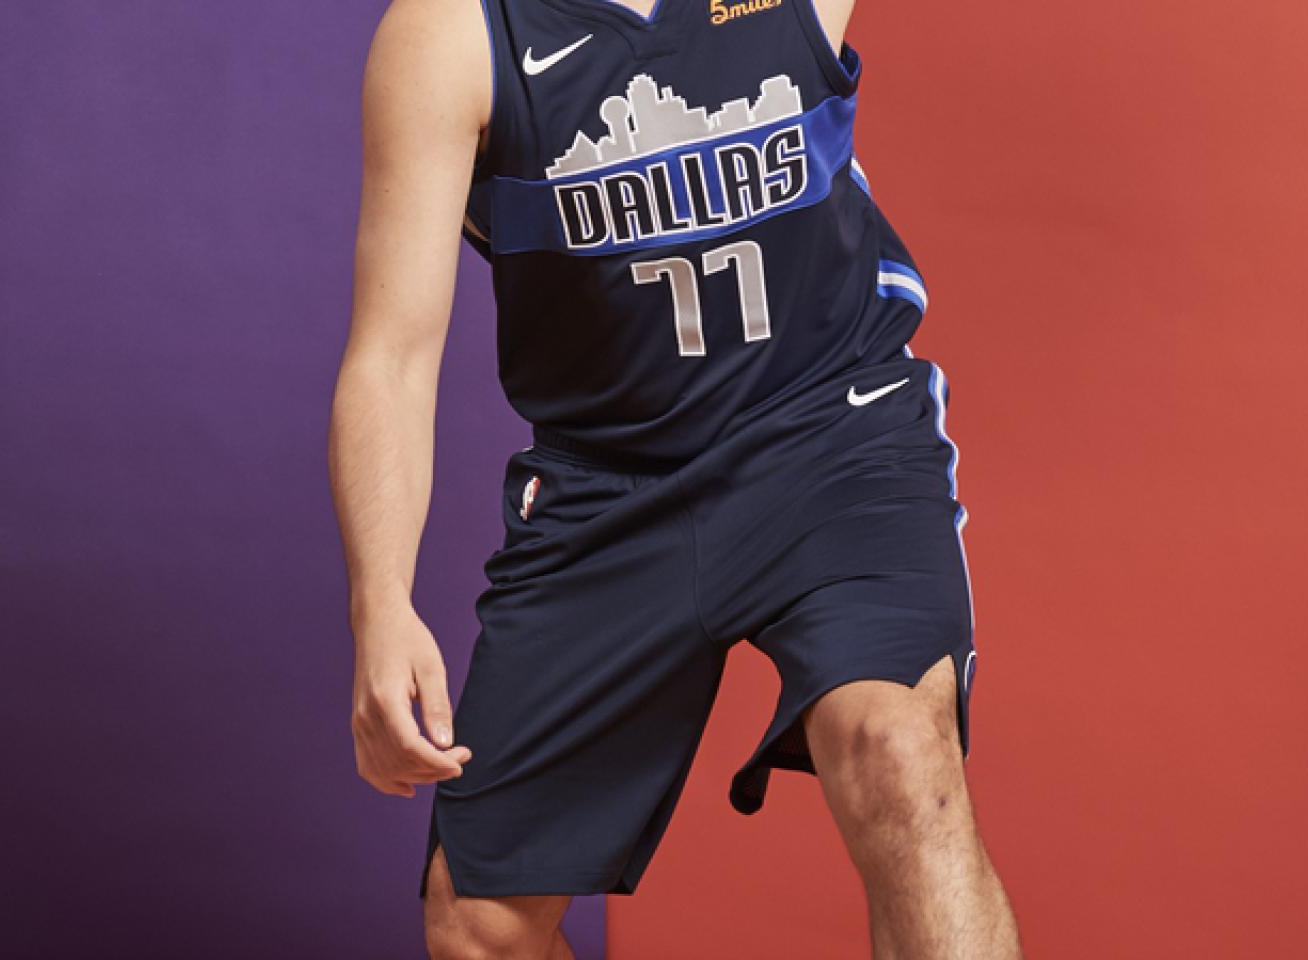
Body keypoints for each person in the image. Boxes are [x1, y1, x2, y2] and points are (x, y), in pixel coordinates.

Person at [328, 0, 1023, 955]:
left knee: (900, 753)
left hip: (829, 438)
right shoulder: (452, 36)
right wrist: (380, 604)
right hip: (608, 489)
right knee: (479, 927)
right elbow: (391, 357)